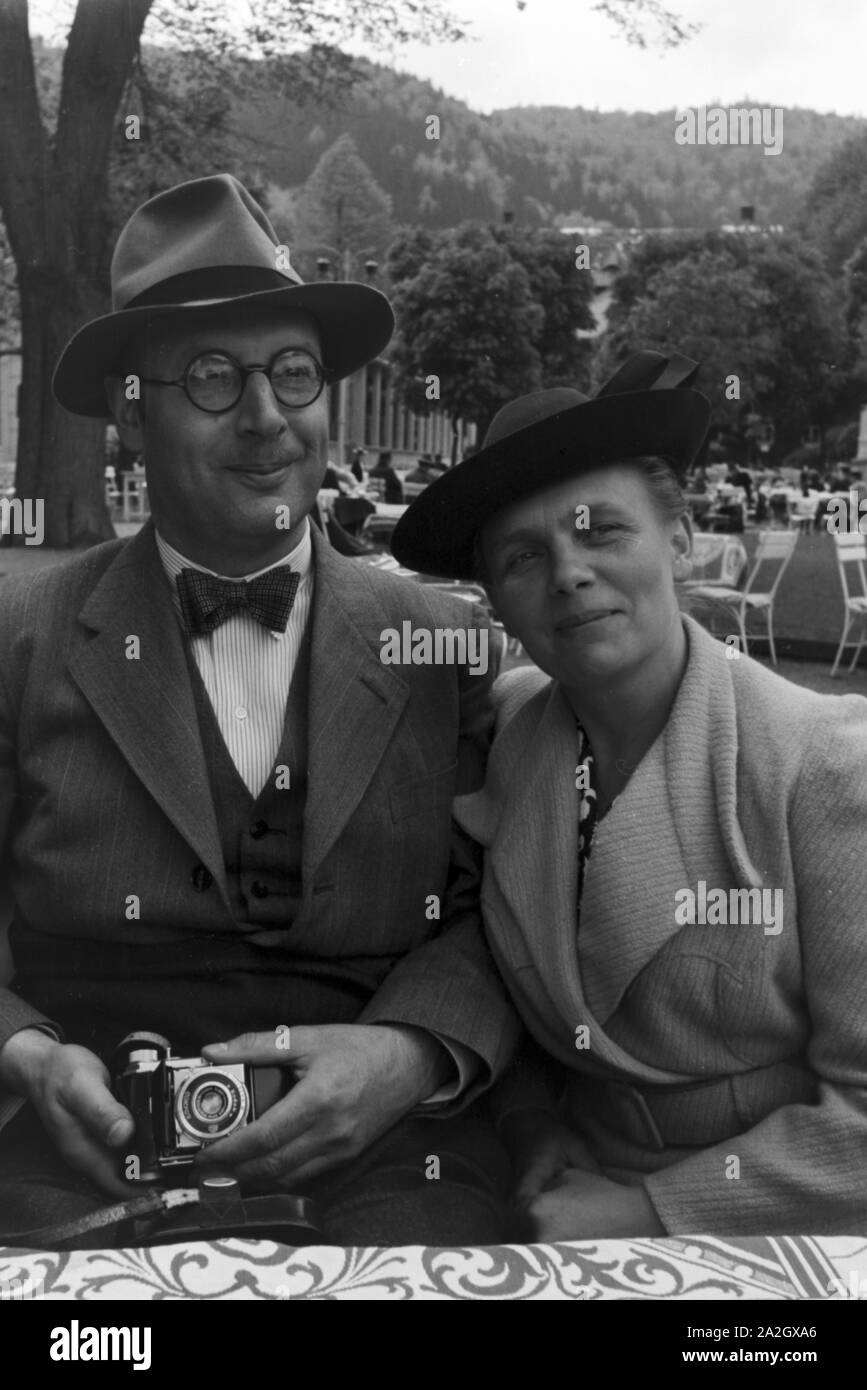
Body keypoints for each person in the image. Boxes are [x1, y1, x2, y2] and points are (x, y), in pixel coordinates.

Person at [0, 174, 519, 1246]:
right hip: (77, 1139)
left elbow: (501, 906)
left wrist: (408, 1054)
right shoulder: (24, 635)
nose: (266, 416)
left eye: (293, 371)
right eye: (210, 377)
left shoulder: (442, 643)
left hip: (384, 1145)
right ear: (130, 411)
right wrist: (31, 1055)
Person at [391, 348, 867, 1238]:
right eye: (524, 556)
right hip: (559, 1196)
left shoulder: (825, 765)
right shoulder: (504, 741)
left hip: (778, 1231)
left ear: (680, 541)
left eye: (601, 530)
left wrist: (652, 1210)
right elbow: (521, 1002)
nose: (568, 573)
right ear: (494, 597)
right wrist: (533, 1124)